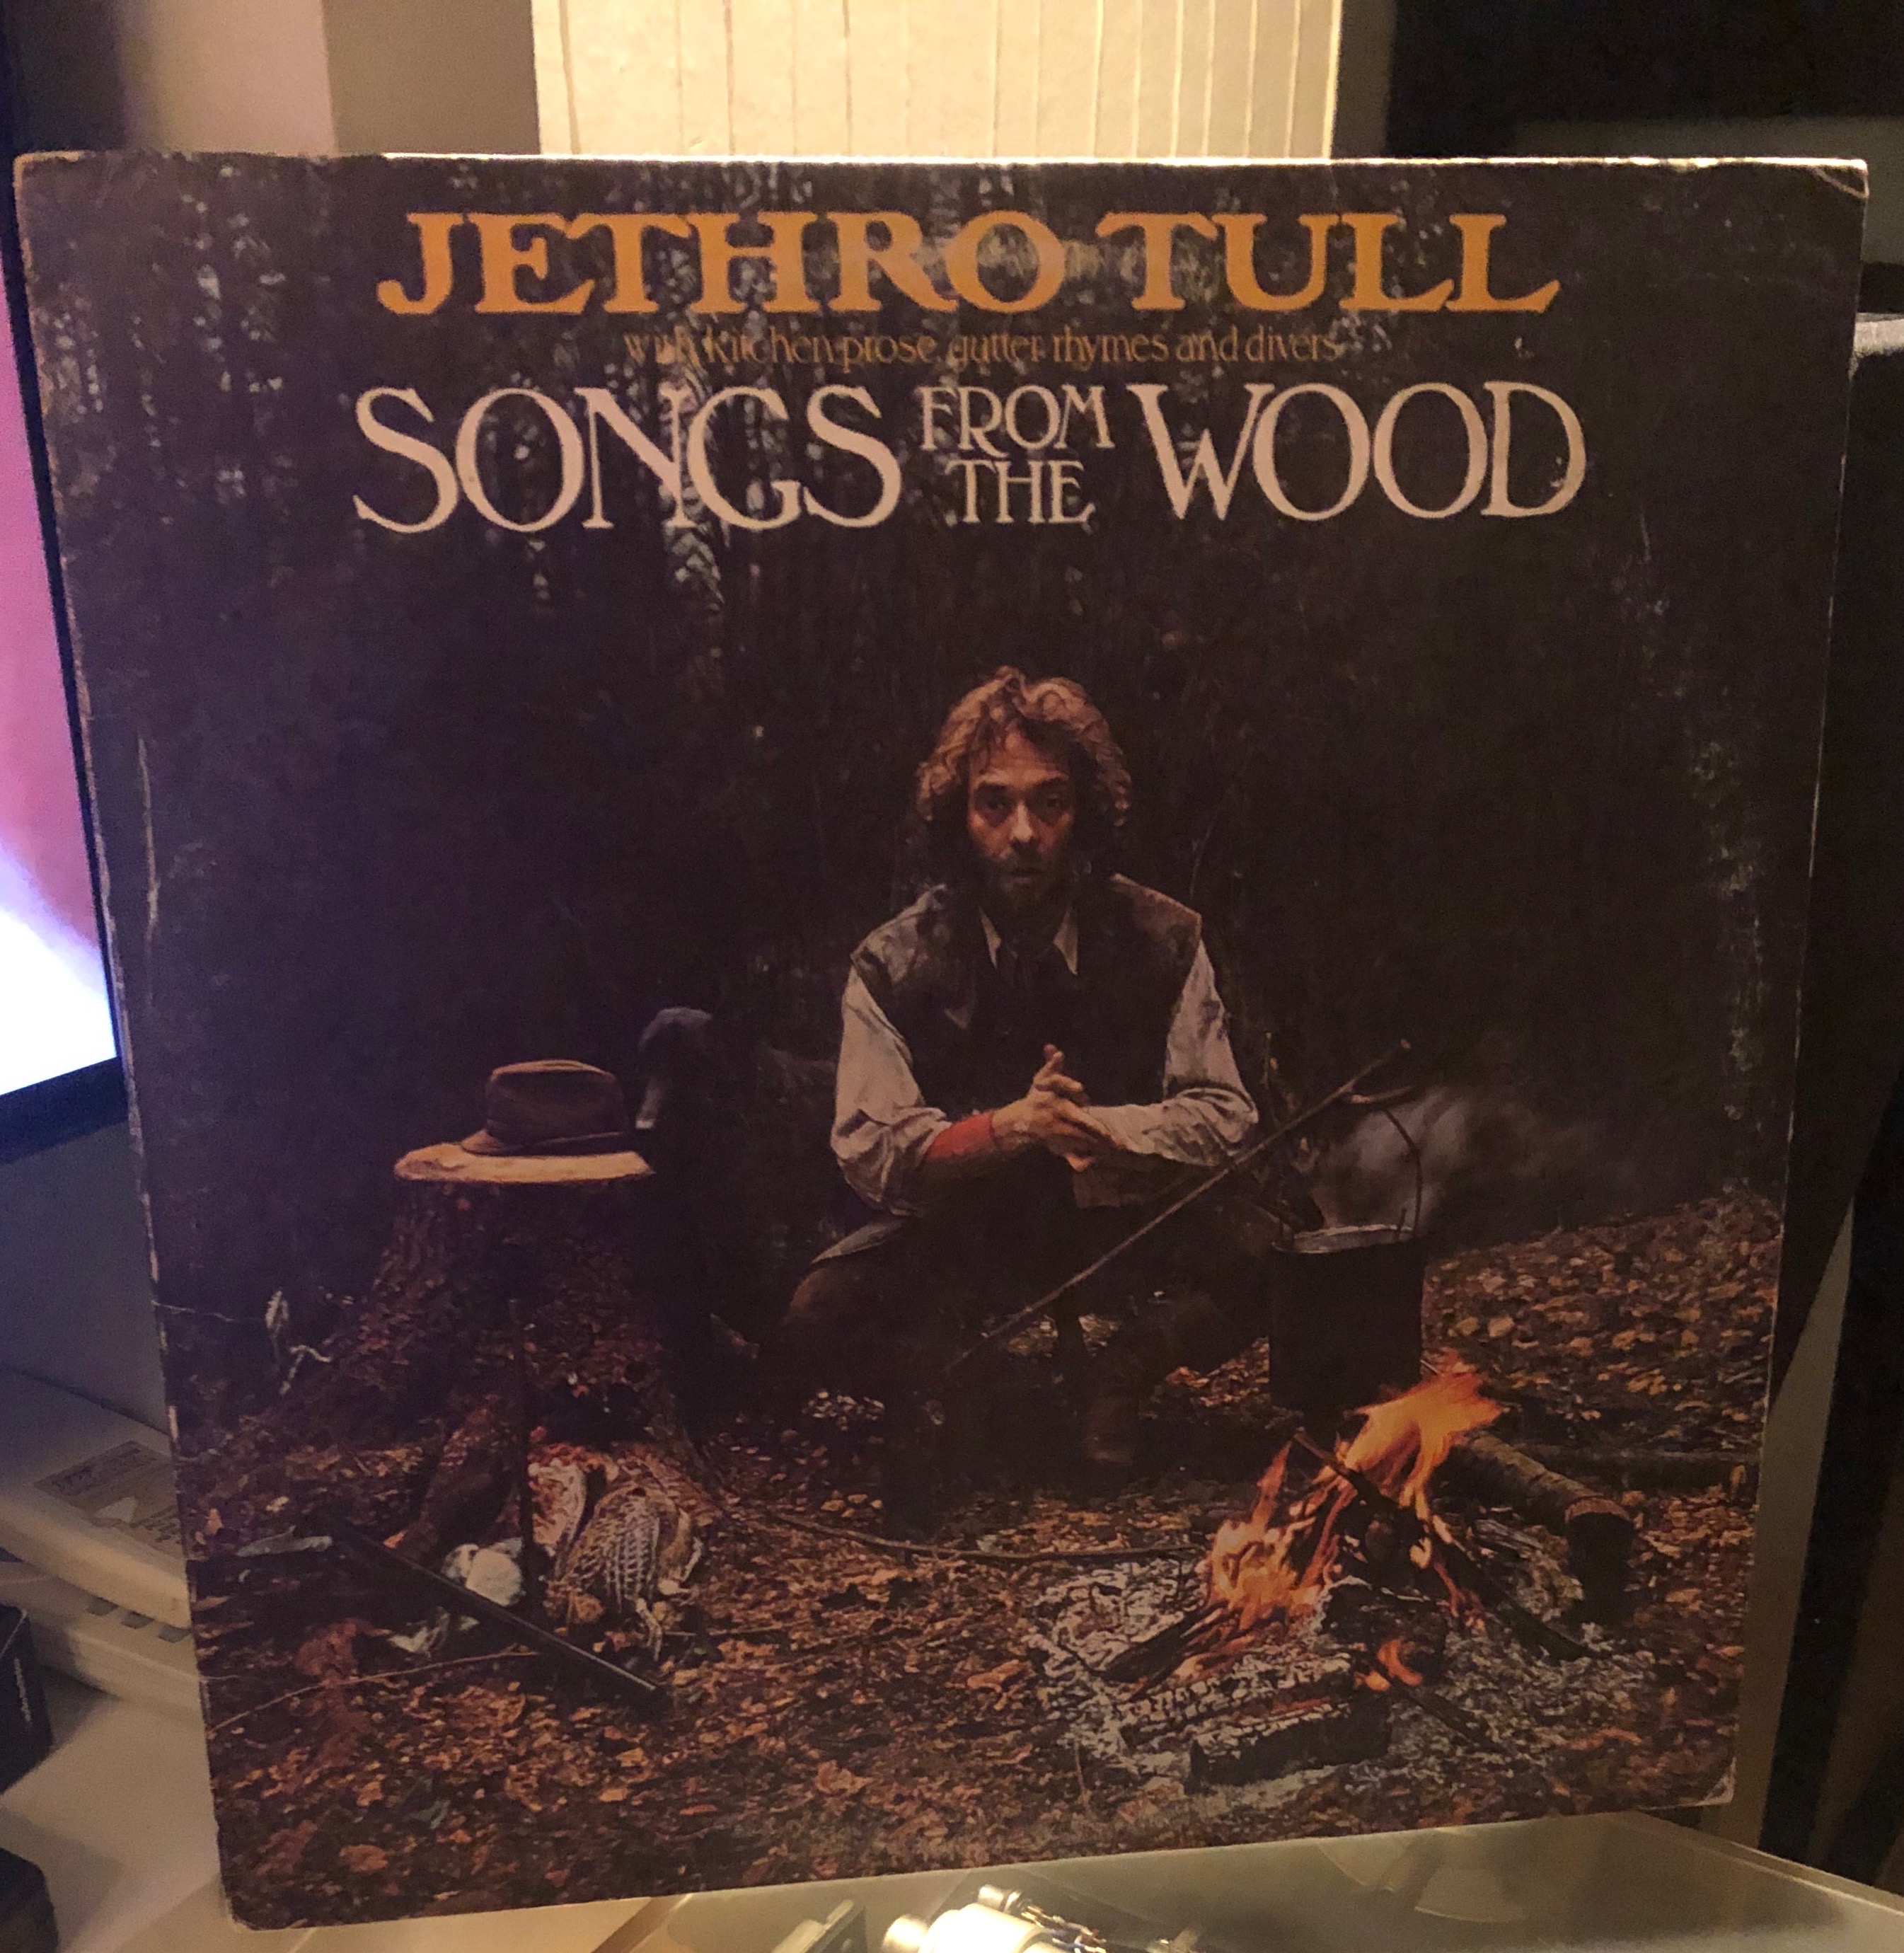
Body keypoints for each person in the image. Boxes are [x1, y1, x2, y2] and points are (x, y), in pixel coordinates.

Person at [784, 667, 1277, 1520]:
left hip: (1119, 1212)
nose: (1024, 834)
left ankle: (1121, 1376)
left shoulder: (1163, 935)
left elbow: (1225, 1112)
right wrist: (1010, 1128)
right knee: (819, 1316)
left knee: (1284, 1259)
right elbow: (871, 1149)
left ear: (1084, 813)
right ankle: (987, 1389)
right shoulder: (893, 960)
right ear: (958, 815)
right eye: (994, 804)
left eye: (1051, 804)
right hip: (972, 1225)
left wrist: (1099, 1128)